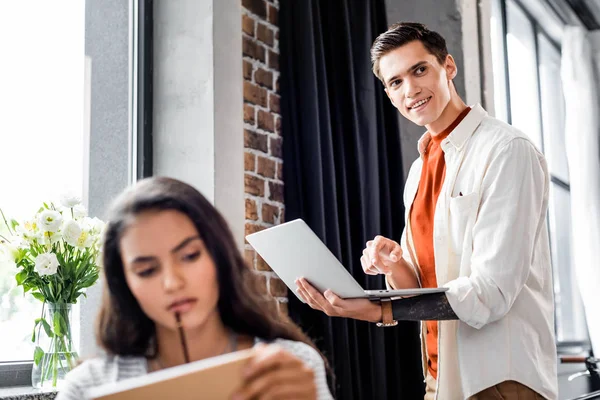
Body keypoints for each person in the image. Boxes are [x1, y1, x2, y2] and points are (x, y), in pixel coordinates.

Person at [295, 22, 557, 400]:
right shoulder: (420, 168)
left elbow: (491, 292)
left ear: (447, 66)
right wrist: (394, 266)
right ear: (388, 93)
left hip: (498, 380)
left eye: (420, 70)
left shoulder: (506, 150)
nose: (411, 90)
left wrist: (378, 311)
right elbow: (418, 290)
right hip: (440, 378)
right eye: (396, 82)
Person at [56, 177, 333, 400]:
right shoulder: (87, 388)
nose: (173, 283)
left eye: (189, 256)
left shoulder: (289, 367)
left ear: (219, 256)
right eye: (147, 270)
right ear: (125, 284)